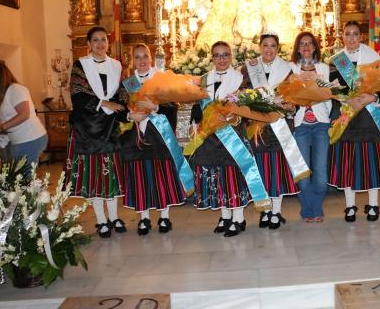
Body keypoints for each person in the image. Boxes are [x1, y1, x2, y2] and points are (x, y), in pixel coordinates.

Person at [188, 42, 258, 237]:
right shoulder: (203, 80)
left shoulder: (239, 79)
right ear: (212, 57)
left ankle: (239, 218)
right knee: (217, 177)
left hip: (232, 135)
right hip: (210, 137)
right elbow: (197, 108)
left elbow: (246, 107)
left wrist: (230, 117)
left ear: (231, 57)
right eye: (217, 55)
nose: (222, 59)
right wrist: (194, 126)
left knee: (232, 176)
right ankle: (225, 215)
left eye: (225, 55)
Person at [120, 43, 189, 236]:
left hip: (159, 136)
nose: (141, 61)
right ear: (132, 60)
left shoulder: (160, 79)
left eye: (145, 56)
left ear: (150, 58)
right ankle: (144, 219)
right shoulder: (128, 83)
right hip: (136, 135)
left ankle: (164, 216)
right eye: (137, 57)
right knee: (140, 176)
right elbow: (119, 109)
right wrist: (130, 116)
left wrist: (155, 107)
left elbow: (173, 107)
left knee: (160, 176)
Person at [241, 32, 308, 230]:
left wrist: (287, 105)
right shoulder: (249, 68)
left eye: (273, 46)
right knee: (260, 172)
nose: (269, 49)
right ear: (260, 47)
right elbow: (243, 94)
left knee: (276, 172)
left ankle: (276, 212)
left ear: (277, 49)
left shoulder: (286, 69)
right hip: (257, 128)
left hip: (279, 127)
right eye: (265, 45)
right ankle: (265, 212)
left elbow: (293, 98)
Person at [65, 26, 127, 238]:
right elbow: (78, 95)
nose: (100, 44)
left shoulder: (116, 65)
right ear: (89, 44)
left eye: (103, 40)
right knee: (94, 179)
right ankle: (101, 220)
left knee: (111, 177)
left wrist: (124, 110)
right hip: (88, 130)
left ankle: (115, 216)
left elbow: (122, 95)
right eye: (96, 40)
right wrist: (104, 103)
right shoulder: (80, 65)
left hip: (110, 129)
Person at [329, 21, 380, 222]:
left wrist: (374, 98)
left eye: (355, 34)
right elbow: (331, 90)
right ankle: (350, 206)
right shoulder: (336, 61)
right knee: (348, 162)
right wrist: (344, 98)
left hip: (369, 118)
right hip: (347, 116)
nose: (352, 38)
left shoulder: (374, 58)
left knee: (370, 162)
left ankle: (373, 205)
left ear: (361, 36)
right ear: (343, 37)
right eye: (348, 34)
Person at [290, 32, 332, 223]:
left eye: (309, 43)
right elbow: (287, 96)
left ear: (315, 47)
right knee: (303, 174)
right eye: (302, 43)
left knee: (321, 174)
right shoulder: (291, 69)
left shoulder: (324, 67)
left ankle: (312, 209)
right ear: (298, 49)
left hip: (321, 124)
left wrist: (325, 112)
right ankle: (312, 210)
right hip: (301, 125)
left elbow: (330, 93)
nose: (306, 46)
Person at [0, 62, 48, 175]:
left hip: (30, 139)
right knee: (18, 179)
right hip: (20, 140)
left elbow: (24, 114)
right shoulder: (5, 93)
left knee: (24, 179)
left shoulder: (16, 89)